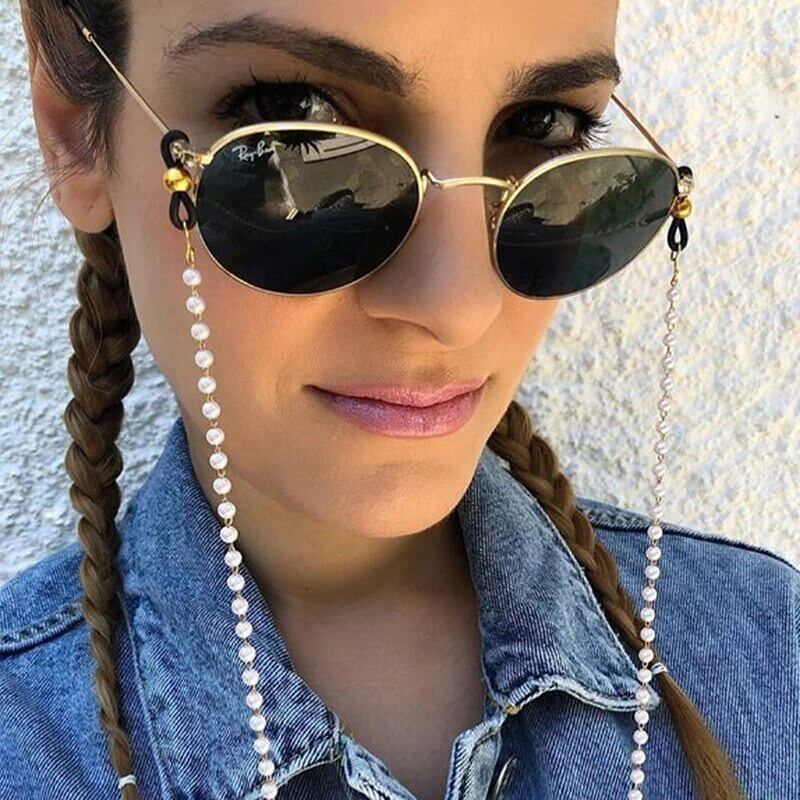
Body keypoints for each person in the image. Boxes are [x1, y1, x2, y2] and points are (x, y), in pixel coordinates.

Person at [1, 1, 797, 799]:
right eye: (296, 121)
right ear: (72, 128)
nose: (457, 306)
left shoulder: (771, 657)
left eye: (543, 127)